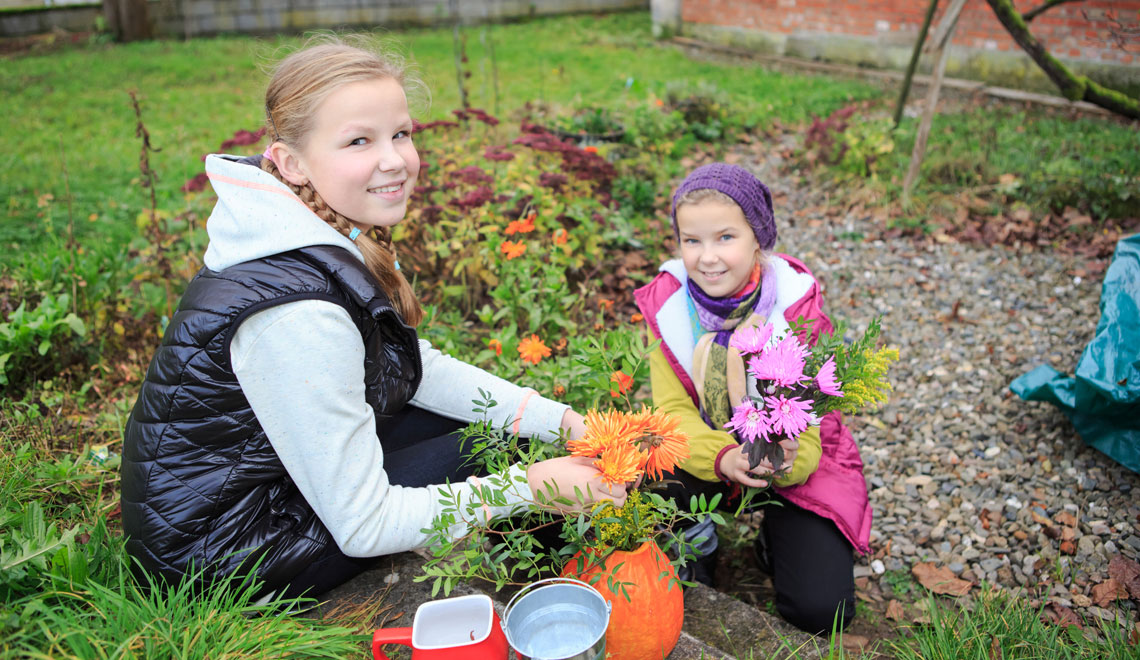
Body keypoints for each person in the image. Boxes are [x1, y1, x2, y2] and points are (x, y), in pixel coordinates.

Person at [120, 38, 625, 602]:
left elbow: (415, 370)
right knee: (501, 457)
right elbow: (364, 527)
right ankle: (557, 600)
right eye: (360, 140)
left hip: (255, 492)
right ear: (290, 162)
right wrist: (528, 487)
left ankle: (555, 580)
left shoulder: (313, 230)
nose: (395, 160)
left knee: (495, 432)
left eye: (401, 133)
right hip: (225, 556)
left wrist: (562, 422)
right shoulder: (299, 315)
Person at [633, 163, 871, 634]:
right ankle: (696, 533)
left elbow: (814, 417)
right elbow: (671, 412)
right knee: (649, 479)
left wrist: (785, 461)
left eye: (726, 237)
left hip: (788, 460)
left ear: (758, 238)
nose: (707, 257)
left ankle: (774, 539)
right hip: (707, 450)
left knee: (822, 612)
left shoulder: (795, 307)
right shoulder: (667, 306)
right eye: (691, 240)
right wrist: (721, 457)